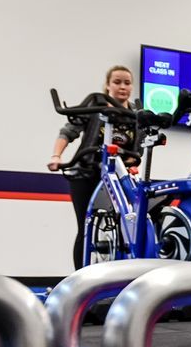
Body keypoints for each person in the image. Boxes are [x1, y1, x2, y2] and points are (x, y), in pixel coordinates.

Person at [47, 64, 138, 266]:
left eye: (127, 83)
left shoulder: (135, 113)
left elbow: (137, 150)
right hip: (86, 173)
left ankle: (119, 275)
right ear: (107, 85)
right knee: (86, 227)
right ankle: (80, 278)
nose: (122, 87)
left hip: (116, 176)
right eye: (117, 82)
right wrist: (56, 156)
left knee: (125, 227)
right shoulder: (95, 105)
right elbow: (69, 131)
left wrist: (131, 162)